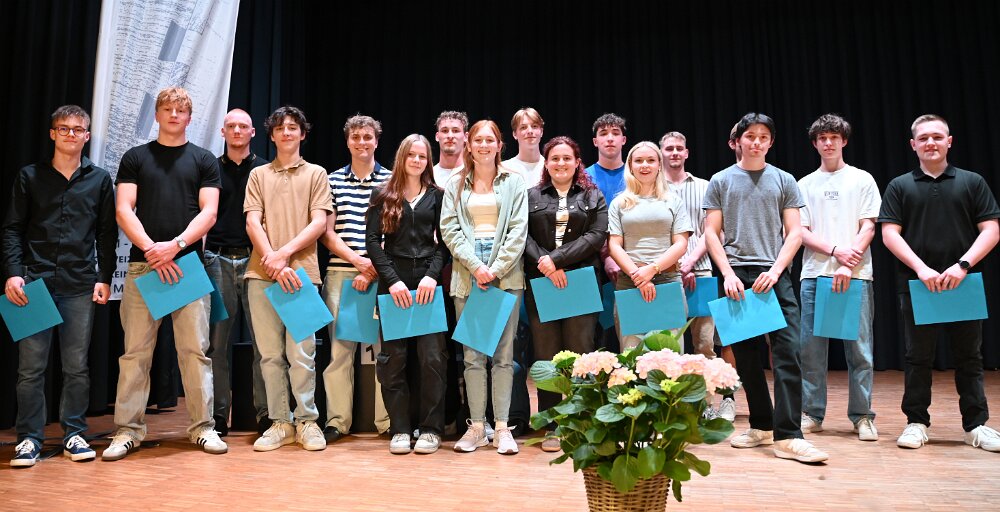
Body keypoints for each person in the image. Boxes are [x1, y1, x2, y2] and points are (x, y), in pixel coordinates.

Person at [104, 87, 226, 460]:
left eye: (181, 110)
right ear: (157, 115)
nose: (174, 115)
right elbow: (123, 209)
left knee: (194, 352)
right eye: (167, 109)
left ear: (189, 117)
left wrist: (174, 246)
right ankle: (127, 430)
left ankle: (203, 427)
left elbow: (209, 212)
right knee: (135, 354)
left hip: (187, 265)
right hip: (144, 267)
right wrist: (152, 251)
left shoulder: (204, 159)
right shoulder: (135, 157)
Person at [703, 112, 828, 463]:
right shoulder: (720, 181)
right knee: (745, 357)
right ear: (738, 141)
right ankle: (762, 424)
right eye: (750, 136)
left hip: (774, 275)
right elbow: (711, 232)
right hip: (735, 276)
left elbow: (796, 232)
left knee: (788, 352)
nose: (756, 142)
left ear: (770, 142)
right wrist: (727, 273)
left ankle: (789, 436)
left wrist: (775, 270)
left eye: (763, 137)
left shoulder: (784, 180)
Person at [3, 105, 116, 467]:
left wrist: (104, 277)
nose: (70, 134)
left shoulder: (100, 180)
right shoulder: (29, 176)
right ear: (52, 133)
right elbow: (12, 228)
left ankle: (74, 434)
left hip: (79, 283)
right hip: (33, 284)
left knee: (76, 367)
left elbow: (106, 234)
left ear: (87, 136)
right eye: (64, 129)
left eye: (77, 129)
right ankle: (29, 439)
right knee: (30, 369)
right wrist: (13, 272)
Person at [879, 114, 1000, 452]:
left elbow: (991, 230)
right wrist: (921, 269)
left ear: (949, 141)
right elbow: (889, 234)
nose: (930, 143)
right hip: (919, 285)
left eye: (937, 137)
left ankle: (975, 425)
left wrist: (962, 266)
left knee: (970, 358)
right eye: (923, 138)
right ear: (913, 144)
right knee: (917, 357)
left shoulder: (972, 182)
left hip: (964, 283)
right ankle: (916, 422)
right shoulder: (899, 185)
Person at [245, 106, 332, 452]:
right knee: (269, 355)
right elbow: (252, 221)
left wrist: (284, 256)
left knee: (302, 354)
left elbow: (319, 223)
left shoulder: (316, 173)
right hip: (261, 273)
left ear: (302, 134)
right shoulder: (258, 174)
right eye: (280, 128)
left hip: (302, 275)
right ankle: (280, 422)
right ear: (271, 135)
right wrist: (273, 259)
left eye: (293, 127)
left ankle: (307, 421)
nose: (286, 133)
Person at [441, 119, 527, 454]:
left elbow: (518, 230)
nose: (484, 145)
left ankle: (502, 427)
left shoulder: (514, 182)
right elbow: (449, 229)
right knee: (473, 357)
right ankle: (477, 427)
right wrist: (476, 267)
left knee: (504, 356)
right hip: (468, 275)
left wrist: (494, 268)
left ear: (499, 145)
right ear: (469, 144)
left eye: (490, 140)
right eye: (478, 139)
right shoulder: (455, 183)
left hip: (506, 274)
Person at [797, 114, 880, 441]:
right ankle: (812, 413)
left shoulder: (862, 179)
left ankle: (862, 416)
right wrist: (835, 252)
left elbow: (868, 226)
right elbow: (801, 231)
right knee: (811, 351)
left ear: (844, 140)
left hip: (856, 275)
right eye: (822, 138)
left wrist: (848, 262)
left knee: (859, 351)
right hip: (814, 275)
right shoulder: (804, 184)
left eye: (834, 137)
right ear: (815, 143)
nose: (828, 143)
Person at [523, 136, 608, 452]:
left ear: (577, 162)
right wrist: (547, 265)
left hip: (580, 281)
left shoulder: (592, 195)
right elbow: (521, 236)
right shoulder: (531, 196)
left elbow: (597, 236)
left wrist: (556, 260)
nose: (561, 163)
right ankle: (552, 425)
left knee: (581, 353)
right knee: (546, 356)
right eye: (555, 158)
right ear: (546, 163)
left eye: (566, 158)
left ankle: (583, 422)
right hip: (542, 282)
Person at [367, 134, 449, 455]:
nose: (417, 160)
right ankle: (400, 428)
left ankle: (430, 429)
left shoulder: (438, 196)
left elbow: (445, 243)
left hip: (428, 285)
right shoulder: (383, 194)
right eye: (411, 155)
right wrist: (392, 281)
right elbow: (373, 242)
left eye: (422, 156)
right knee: (394, 360)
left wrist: (431, 276)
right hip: (394, 285)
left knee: (432, 359)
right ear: (401, 157)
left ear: (428, 161)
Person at [321, 114, 391, 442]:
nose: (362, 142)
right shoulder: (332, 180)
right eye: (356, 137)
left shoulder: (391, 180)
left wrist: (373, 265)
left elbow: (395, 230)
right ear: (348, 142)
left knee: (384, 351)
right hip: (341, 273)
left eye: (367, 137)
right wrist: (357, 261)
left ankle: (387, 422)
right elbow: (327, 232)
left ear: (376, 141)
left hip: (382, 273)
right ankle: (337, 421)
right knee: (340, 350)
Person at [659, 131, 736, 419]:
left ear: (687, 153)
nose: (674, 153)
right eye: (669, 148)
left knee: (704, 344)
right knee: (670, 345)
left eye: (679, 148)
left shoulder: (705, 186)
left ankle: (708, 404)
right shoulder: (654, 187)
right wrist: (675, 266)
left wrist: (689, 262)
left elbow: (713, 231)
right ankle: (678, 407)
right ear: (661, 152)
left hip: (701, 272)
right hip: (666, 276)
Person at [204, 108, 269, 436]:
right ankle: (218, 416)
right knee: (217, 344)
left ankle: (265, 415)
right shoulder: (210, 169)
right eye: (232, 126)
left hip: (256, 261)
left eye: (244, 126)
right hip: (216, 260)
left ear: (253, 132)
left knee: (263, 343)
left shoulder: (265, 170)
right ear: (223, 132)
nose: (237, 131)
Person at [607, 141, 691, 350]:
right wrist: (639, 276)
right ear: (630, 165)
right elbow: (614, 245)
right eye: (639, 160)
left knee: (671, 354)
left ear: (659, 165)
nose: (645, 165)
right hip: (630, 282)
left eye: (650, 160)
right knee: (631, 353)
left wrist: (652, 269)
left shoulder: (674, 201)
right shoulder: (619, 203)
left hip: (667, 281)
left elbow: (681, 243)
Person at [585, 113, 628, 353]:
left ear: (624, 140)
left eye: (615, 133)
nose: (609, 138)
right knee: (594, 334)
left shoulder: (636, 174)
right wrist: (607, 254)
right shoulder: (584, 177)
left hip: (630, 261)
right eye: (603, 134)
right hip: (594, 261)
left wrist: (617, 256)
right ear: (595, 141)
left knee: (629, 332)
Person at [501, 107, 545, 188]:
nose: (530, 131)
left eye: (534, 126)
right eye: (523, 127)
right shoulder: (504, 168)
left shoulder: (551, 167)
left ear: (541, 132)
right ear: (514, 134)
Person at [433, 111, 468, 188]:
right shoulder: (427, 176)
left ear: (466, 137)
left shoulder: (475, 174)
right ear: (437, 136)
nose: (450, 136)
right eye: (445, 131)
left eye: (456, 131)